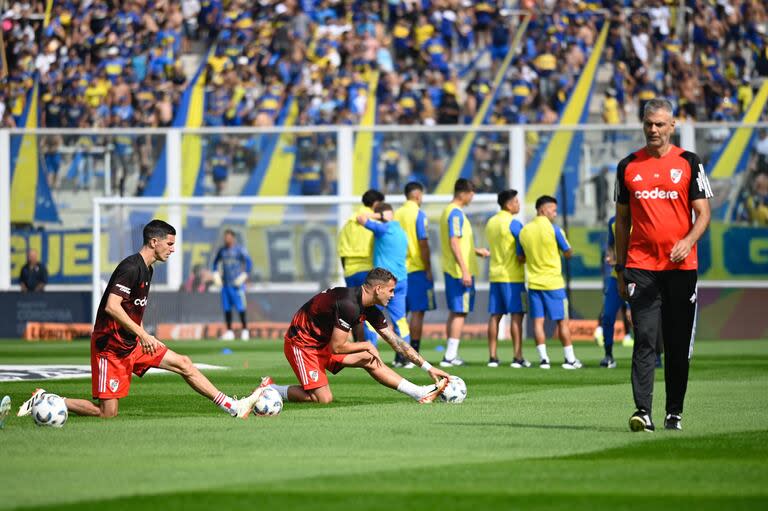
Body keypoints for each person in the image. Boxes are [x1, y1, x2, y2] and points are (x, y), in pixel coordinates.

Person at [17, 220, 261, 419]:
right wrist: (144, 335)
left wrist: (142, 335)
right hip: (109, 347)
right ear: (154, 242)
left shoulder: (149, 269)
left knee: (184, 363)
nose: (173, 249)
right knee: (107, 413)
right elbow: (113, 307)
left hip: (133, 343)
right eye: (170, 243)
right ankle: (50, 400)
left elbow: (133, 309)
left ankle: (231, 406)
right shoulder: (130, 268)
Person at [615, 97, 713, 432]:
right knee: (645, 338)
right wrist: (619, 269)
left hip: (681, 271)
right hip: (641, 267)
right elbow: (621, 221)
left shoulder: (689, 162)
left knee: (676, 342)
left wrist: (687, 241)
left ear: (672, 126)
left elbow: (704, 214)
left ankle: (675, 412)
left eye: (660, 124)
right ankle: (643, 411)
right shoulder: (627, 166)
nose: (653, 130)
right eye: (648, 124)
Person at [260, 268, 451, 404]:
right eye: (391, 290)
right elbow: (337, 347)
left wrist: (428, 368)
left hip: (321, 344)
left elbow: (396, 342)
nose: (393, 295)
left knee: (368, 359)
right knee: (323, 400)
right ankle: (270, 389)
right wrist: (365, 344)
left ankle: (418, 393)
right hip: (302, 344)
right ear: (378, 289)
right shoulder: (349, 304)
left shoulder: (368, 307)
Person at [517, 195, 582, 370]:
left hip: (534, 284)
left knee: (538, 322)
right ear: (542, 210)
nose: (555, 213)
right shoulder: (555, 230)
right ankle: (570, 359)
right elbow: (568, 252)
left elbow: (520, 257)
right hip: (553, 283)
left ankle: (544, 359)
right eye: (553, 209)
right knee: (562, 322)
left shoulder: (524, 231)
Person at [439, 178, 490, 367]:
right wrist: (465, 270)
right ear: (463, 193)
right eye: (471, 194)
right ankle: (450, 356)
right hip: (458, 271)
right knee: (460, 312)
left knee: (456, 312)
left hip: (453, 269)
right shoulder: (455, 214)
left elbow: (458, 243)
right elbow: (454, 242)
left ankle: (449, 353)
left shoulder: (448, 212)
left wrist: (476, 251)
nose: (472, 198)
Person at [357, 203, 411, 367]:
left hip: (382, 284)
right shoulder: (401, 232)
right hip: (401, 280)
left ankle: (371, 354)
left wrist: (379, 216)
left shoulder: (384, 228)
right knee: (400, 320)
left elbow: (361, 218)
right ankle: (405, 358)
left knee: (369, 318)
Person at [485, 189, 529, 368]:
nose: (518, 205)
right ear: (509, 204)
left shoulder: (491, 222)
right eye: (516, 202)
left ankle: (493, 356)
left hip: (495, 274)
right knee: (517, 316)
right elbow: (521, 251)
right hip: (513, 276)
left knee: (495, 315)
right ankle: (518, 356)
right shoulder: (514, 223)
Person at [393, 182, 435, 365]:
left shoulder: (396, 214)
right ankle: (413, 354)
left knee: (401, 315)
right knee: (418, 313)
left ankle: (399, 355)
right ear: (418, 195)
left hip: (398, 270)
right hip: (416, 269)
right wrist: (428, 268)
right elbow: (423, 243)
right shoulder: (419, 214)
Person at [337, 189, 384, 344]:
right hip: (367, 270)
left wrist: (347, 271)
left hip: (350, 271)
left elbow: (342, 251)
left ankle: (359, 347)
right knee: (370, 312)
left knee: (356, 314)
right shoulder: (373, 222)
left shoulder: (348, 223)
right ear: (376, 204)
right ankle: (370, 350)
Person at [211, 229, 253, 341]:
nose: (226, 239)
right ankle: (229, 331)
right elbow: (215, 263)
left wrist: (244, 275)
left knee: (241, 308)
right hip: (226, 285)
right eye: (225, 237)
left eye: (228, 237)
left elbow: (248, 262)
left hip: (237, 285)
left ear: (233, 238)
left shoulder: (239, 250)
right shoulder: (222, 251)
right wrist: (215, 274)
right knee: (227, 308)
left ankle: (245, 330)